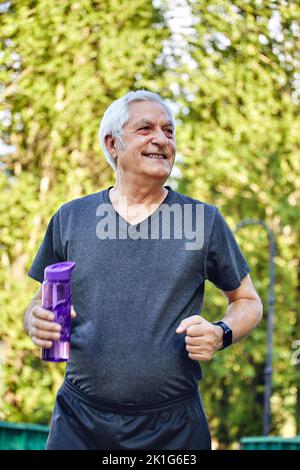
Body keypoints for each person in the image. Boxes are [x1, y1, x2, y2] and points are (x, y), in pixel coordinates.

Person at [24, 90, 263, 450]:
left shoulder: (203, 220)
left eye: (169, 131)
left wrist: (219, 332)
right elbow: (38, 302)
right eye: (146, 128)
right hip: (80, 422)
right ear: (112, 144)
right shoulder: (70, 218)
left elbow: (248, 301)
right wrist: (34, 320)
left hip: (174, 427)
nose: (161, 139)